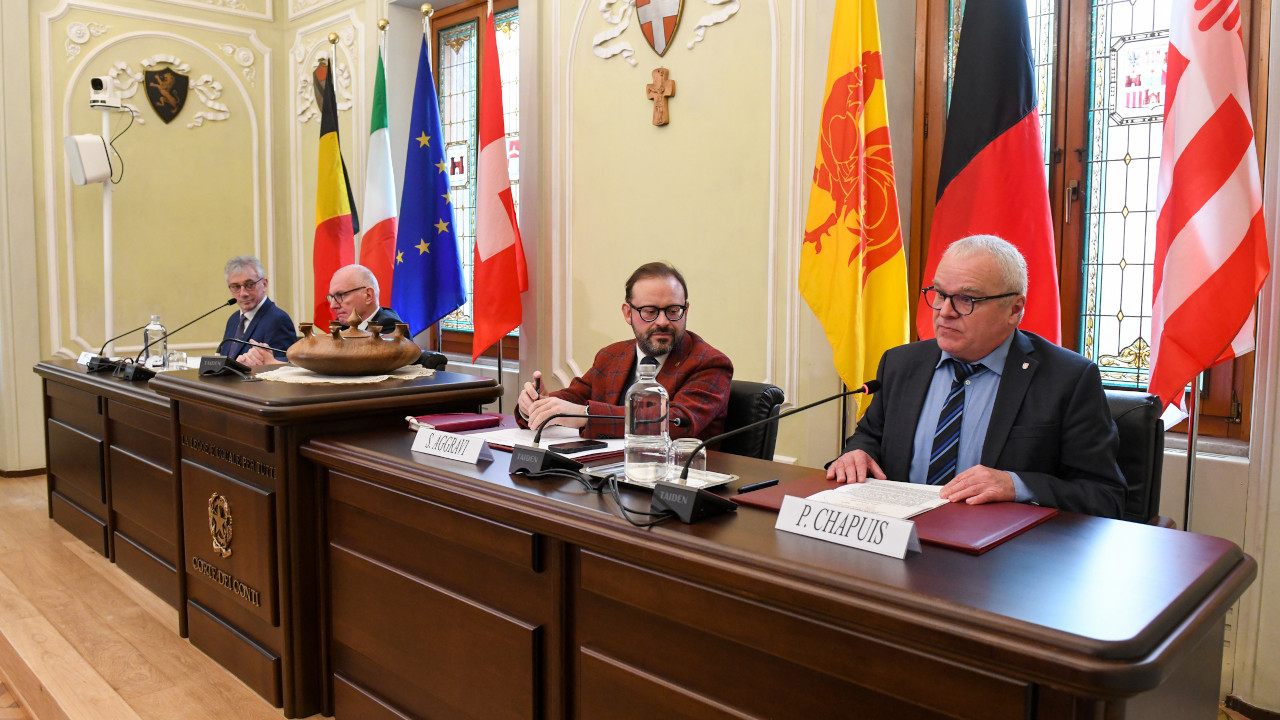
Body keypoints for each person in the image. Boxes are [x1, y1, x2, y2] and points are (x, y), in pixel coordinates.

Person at [827, 235, 1125, 518]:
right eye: (940, 293)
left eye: (966, 299)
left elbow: (1105, 496)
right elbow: (871, 436)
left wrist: (1016, 485)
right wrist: (857, 452)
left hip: (1000, 549)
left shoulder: (1068, 379)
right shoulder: (901, 363)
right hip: (901, 536)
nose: (945, 311)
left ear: (1014, 309)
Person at [517, 262, 733, 440]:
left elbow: (675, 423)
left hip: (678, 475)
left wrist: (585, 415)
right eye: (650, 311)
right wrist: (536, 405)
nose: (663, 321)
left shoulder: (710, 363)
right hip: (605, 470)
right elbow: (573, 398)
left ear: (686, 310)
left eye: (673, 311)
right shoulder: (611, 356)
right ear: (628, 313)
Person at [218, 256, 297, 367]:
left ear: (264, 284)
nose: (243, 293)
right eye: (236, 287)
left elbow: (283, 368)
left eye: (250, 285)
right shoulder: (233, 320)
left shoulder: (278, 319)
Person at [327, 264, 405, 333]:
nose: (333, 305)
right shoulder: (340, 326)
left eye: (340, 295)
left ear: (368, 295)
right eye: (332, 297)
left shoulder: (392, 330)